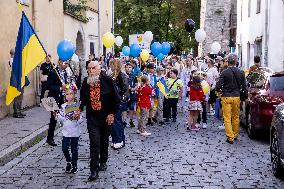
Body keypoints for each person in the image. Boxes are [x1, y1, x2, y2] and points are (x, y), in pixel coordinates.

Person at [77, 61, 117, 181]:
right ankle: (93, 170)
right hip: (92, 117)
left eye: (94, 68)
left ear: (99, 69)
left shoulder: (108, 80)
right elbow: (83, 99)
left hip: (106, 117)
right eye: (89, 69)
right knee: (94, 143)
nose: (91, 71)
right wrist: (78, 109)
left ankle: (103, 160)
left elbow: (116, 99)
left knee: (104, 141)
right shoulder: (86, 82)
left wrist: (112, 113)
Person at [216, 53, 247, 144]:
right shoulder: (241, 72)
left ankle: (230, 137)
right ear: (236, 62)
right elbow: (244, 87)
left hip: (226, 96)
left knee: (227, 117)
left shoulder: (224, 72)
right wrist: (245, 96)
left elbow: (218, 85)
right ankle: (235, 134)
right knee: (236, 116)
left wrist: (220, 91)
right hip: (236, 96)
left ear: (227, 61)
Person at [55, 84, 82, 174]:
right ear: (64, 96)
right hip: (66, 132)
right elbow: (62, 119)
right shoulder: (63, 106)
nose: (69, 96)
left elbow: (81, 119)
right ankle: (68, 161)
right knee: (64, 148)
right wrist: (57, 116)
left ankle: (74, 165)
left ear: (74, 95)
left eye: (71, 94)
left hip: (75, 132)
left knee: (74, 149)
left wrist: (77, 117)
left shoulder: (77, 106)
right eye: (67, 94)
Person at [46, 60, 68, 146]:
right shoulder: (53, 72)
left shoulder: (65, 72)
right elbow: (48, 86)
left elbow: (65, 84)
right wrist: (60, 88)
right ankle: (50, 138)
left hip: (62, 98)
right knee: (53, 119)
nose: (66, 65)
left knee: (63, 117)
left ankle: (67, 137)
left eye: (67, 63)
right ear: (59, 62)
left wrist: (68, 87)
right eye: (65, 63)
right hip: (52, 98)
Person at [109, 59, 129, 150]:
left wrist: (115, 92)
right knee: (115, 121)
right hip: (114, 101)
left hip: (119, 101)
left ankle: (119, 140)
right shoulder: (113, 75)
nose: (110, 67)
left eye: (111, 65)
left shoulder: (122, 75)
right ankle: (116, 140)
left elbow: (124, 88)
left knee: (117, 122)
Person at [9, 48, 29, 118]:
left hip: (20, 80)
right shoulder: (12, 61)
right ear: (13, 53)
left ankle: (19, 111)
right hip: (17, 81)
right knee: (18, 97)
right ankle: (16, 112)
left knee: (20, 96)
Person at [125, 63, 138, 128]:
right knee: (124, 108)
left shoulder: (134, 76)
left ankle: (130, 120)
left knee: (131, 107)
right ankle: (125, 121)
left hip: (132, 93)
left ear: (132, 68)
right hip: (125, 93)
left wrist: (133, 89)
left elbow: (136, 84)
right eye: (127, 67)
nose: (128, 68)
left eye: (130, 67)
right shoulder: (123, 75)